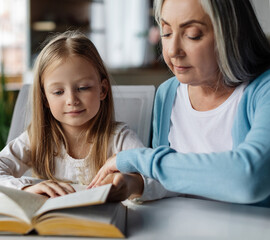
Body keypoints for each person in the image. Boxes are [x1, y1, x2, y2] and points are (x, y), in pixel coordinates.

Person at [89, 0, 270, 207]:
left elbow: (249, 179)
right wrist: (135, 184)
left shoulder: (263, 90)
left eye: (192, 34)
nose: (173, 50)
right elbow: (168, 178)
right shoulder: (167, 94)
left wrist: (137, 158)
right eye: (166, 33)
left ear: (231, 33)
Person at [0, 31, 167, 201]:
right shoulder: (37, 138)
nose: (71, 100)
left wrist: (132, 183)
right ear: (45, 99)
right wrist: (25, 188)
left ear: (103, 90)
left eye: (83, 88)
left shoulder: (119, 138)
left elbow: (162, 180)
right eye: (58, 92)